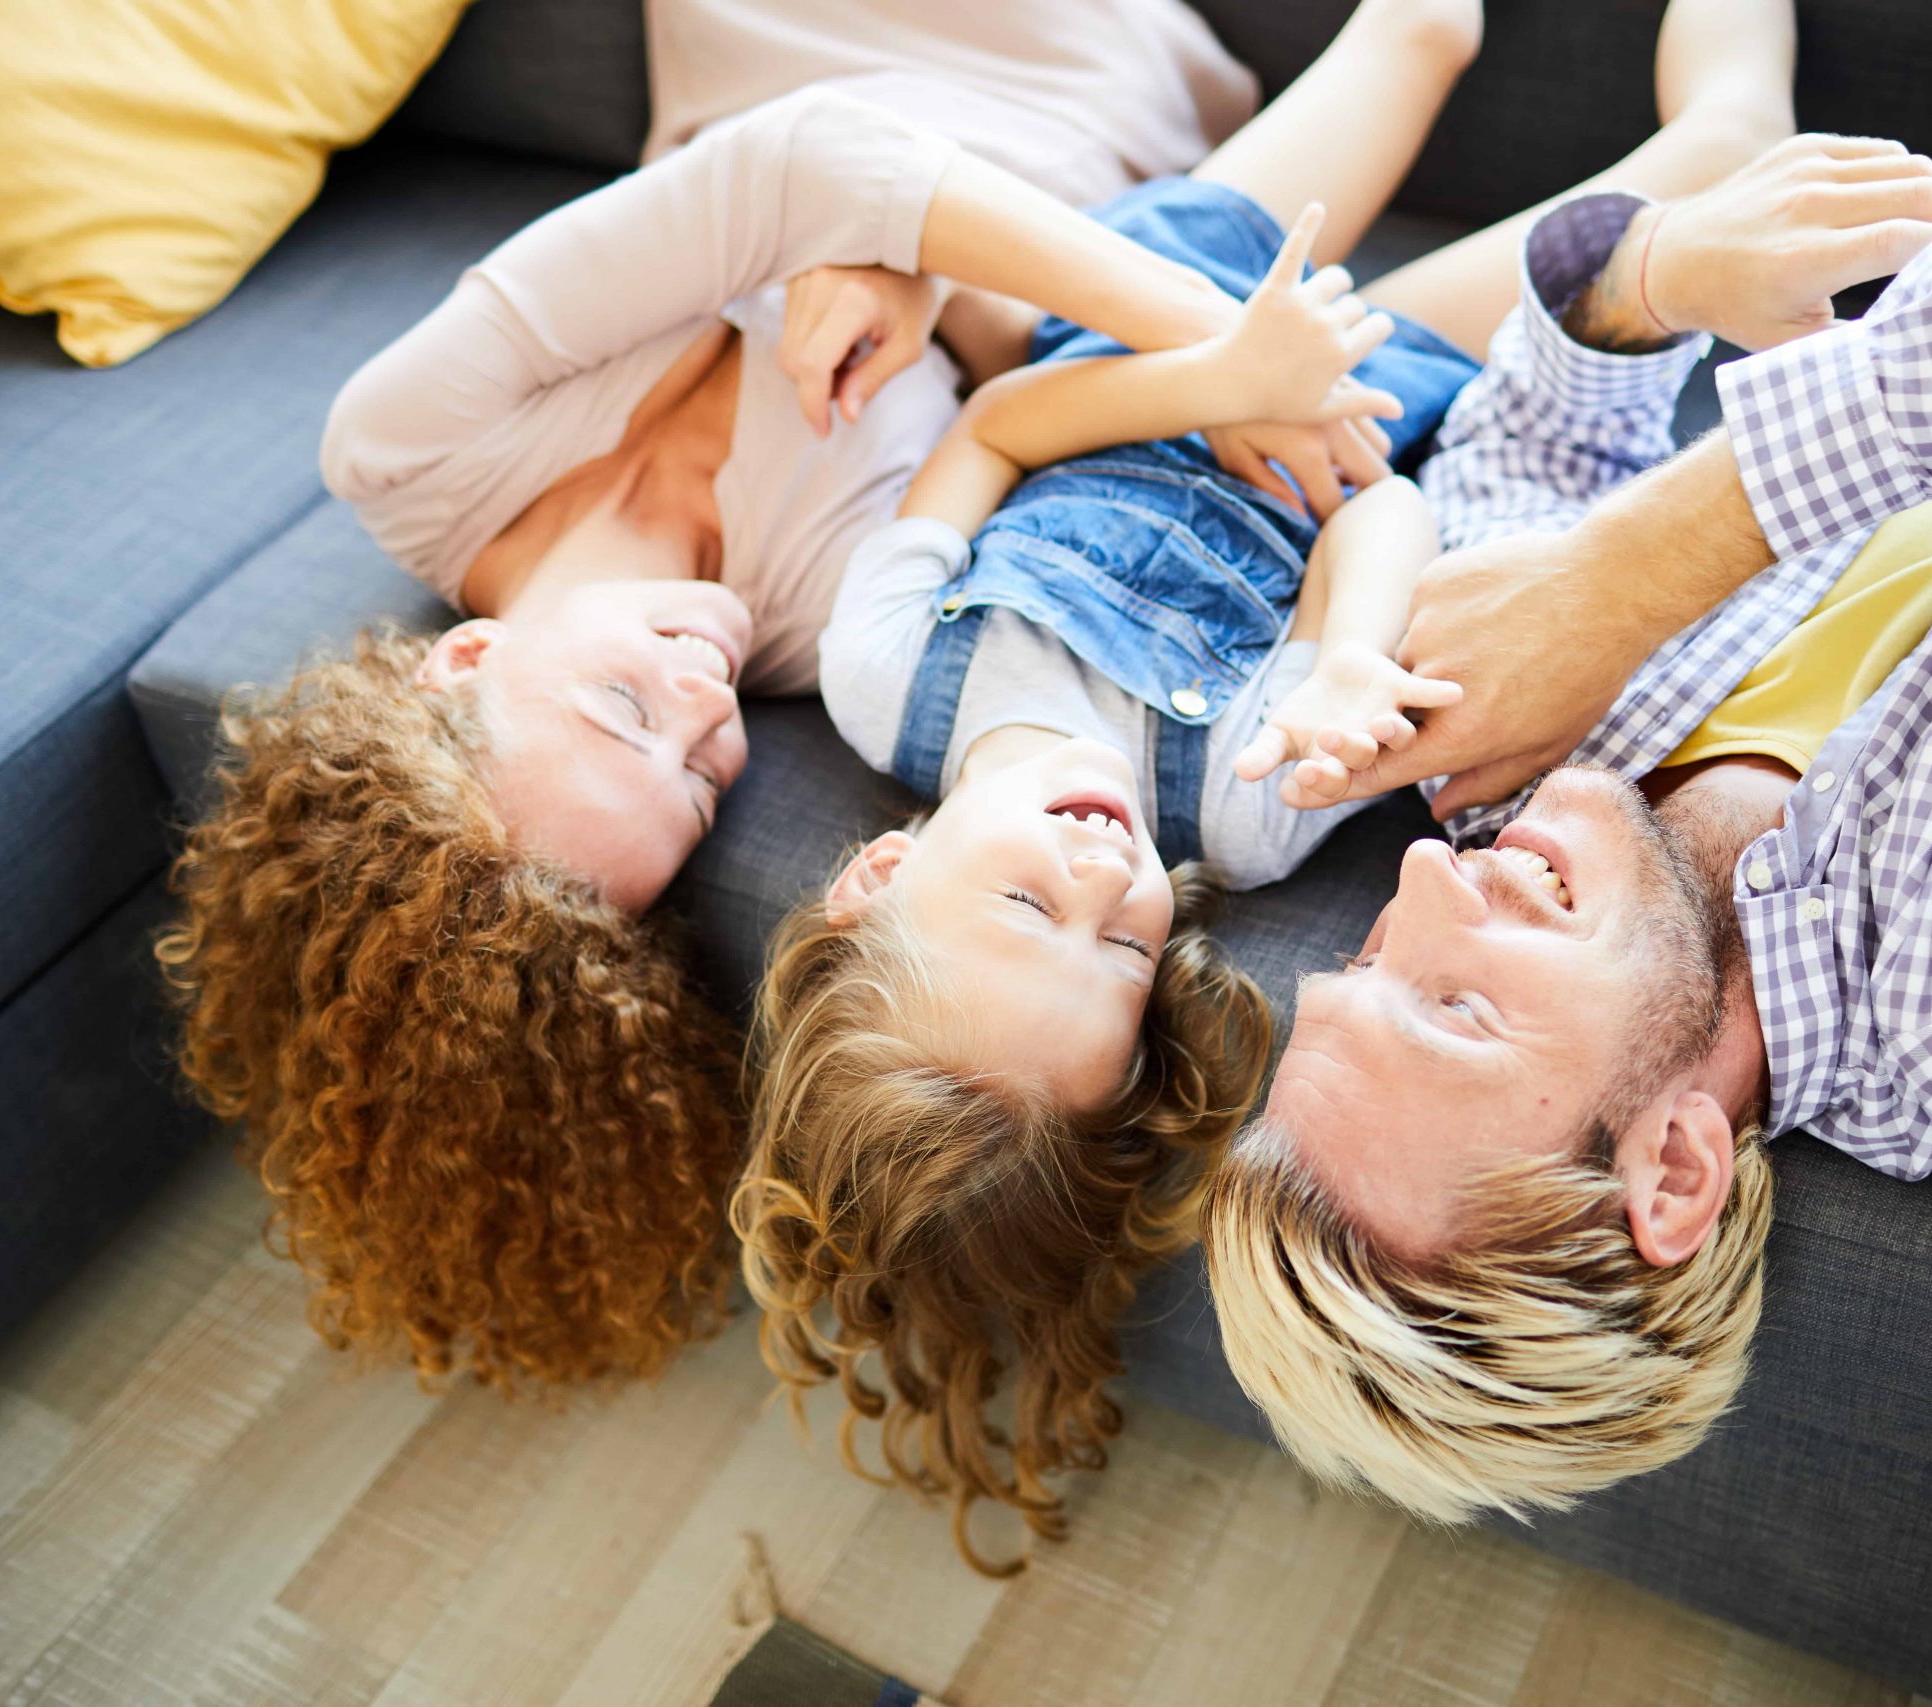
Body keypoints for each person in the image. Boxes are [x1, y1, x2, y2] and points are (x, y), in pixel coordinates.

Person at [735, 0, 1798, 1569]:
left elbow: (1001, 424)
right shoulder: (1246, 799)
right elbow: (1380, 518)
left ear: (878, 875)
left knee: (1418, 32)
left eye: (1027, 903)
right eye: (1118, 951)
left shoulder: (883, 677)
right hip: (1356, 403)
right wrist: (1356, 654)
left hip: (1146, 322)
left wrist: (1216, 369)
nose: (1101, 882)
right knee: (1705, 169)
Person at [155, 0, 1318, 1395]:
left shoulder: (408, 451)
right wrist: (913, 277)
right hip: (1067, 109)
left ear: (461, 659)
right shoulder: (828, 617)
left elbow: (806, 159)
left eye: (624, 714)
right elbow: (1034, 384)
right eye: (706, 776)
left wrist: (1213, 338)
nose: (707, 701)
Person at [1201, 140, 1932, 1524]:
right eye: (1453, 1010)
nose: (1434, 877)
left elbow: (1530, 427)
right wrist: (1617, 574)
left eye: (1375, 956)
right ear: (1673, 1163)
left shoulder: (1548, 805)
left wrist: (1652, 273)